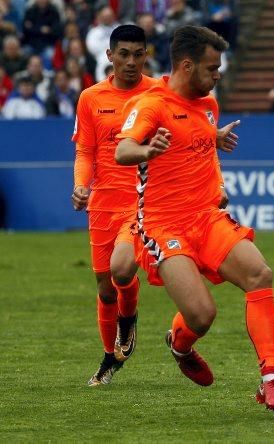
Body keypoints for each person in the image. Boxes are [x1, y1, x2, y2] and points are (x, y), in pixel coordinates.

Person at [114, 25, 274, 414]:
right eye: (212, 68)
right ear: (187, 65)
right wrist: (146, 149)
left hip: (207, 217)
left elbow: (200, 145)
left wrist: (215, 141)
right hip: (163, 225)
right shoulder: (151, 105)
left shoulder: (208, 104)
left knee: (260, 274)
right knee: (202, 314)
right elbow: (122, 151)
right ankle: (180, 345)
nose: (218, 75)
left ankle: (271, 381)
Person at [71, 25, 159, 386]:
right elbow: (85, 151)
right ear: (109, 56)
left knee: (122, 269)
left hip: (142, 200)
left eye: (138, 54)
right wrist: (80, 186)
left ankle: (128, 317)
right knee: (105, 287)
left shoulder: (158, 92)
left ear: (146, 55)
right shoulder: (91, 98)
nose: (131, 62)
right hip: (102, 203)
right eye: (124, 54)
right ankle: (110, 358)